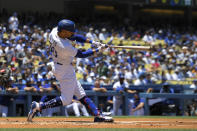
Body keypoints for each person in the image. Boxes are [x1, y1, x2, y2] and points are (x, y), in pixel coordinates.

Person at [27, 19, 113, 122]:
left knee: (81, 94)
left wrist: (92, 42)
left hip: (60, 66)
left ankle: (98, 115)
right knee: (66, 100)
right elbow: (82, 55)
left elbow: (75, 37)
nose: (72, 33)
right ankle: (39, 106)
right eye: (70, 31)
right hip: (64, 69)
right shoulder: (64, 46)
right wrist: (98, 49)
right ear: (63, 31)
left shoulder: (55, 31)